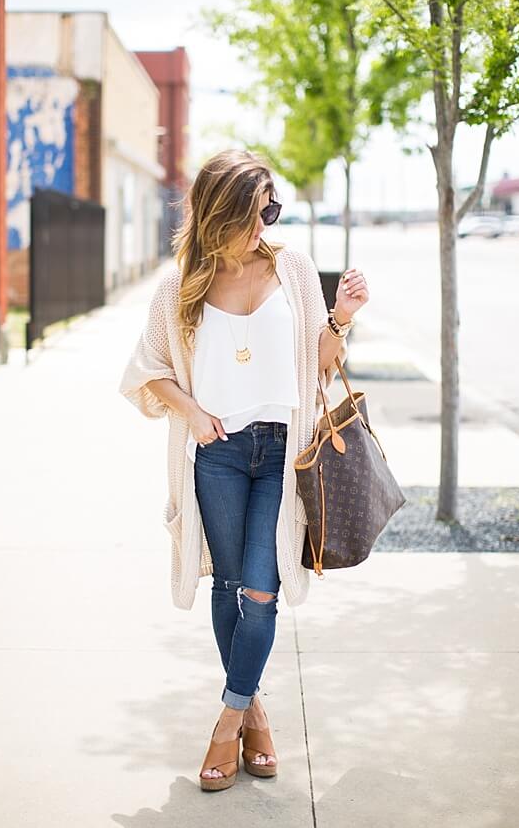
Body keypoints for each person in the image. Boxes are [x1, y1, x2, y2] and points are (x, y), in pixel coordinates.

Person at [118, 149, 368, 791]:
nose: (266, 223)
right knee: (229, 585)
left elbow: (319, 357)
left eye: (272, 209)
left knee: (262, 588)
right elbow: (147, 369)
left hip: (281, 454)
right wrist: (194, 413)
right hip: (219, 454)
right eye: (256, 212)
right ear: (219, 213)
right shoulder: (181, 286)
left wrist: (341, 316)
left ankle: (226, 723)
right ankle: (255, 709)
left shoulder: (293, 268)